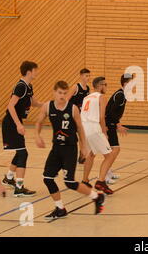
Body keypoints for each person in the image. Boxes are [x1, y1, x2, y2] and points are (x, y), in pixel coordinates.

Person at [35, 81, 105, 219]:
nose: (62, 96)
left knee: (70, 182)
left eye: (64, 93)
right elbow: (38, 122)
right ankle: (60, 208)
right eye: (59, 93)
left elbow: (80, 128)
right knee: (47, 178)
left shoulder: (72, 108)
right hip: (56, 148)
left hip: (70, 149)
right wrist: (37, 135)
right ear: (54, 92)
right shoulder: (47, 107)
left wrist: (84, 147)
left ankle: (97, 196)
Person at [1, 61, 43, 197]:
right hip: (11, 123)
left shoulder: (28, 86)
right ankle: (19, 187)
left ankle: (9, 178)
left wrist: (48, 105)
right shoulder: (21, 86)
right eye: (36, 70)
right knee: (23, 153)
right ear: (29, 72)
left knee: (20, 152)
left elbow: (34, 102)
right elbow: (10, 106)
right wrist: (18, 124)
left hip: (15, 123)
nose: (37, 73)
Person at [81, 77, 117, 195]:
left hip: (84, 128)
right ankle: (101, 182)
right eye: (105, 85)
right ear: (100, 85)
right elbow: (101, 117)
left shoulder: (86, 97)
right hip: (93, 128)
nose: (106, 87)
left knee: (90, 155)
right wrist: (104, 133)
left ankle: (85, 180)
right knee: (110, 155)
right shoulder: (101, 97)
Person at [104, 74, 132, 184]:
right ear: (125, 83)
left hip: (111, 123)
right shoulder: (120, 95)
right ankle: (105, 175)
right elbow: (111, 112)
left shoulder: (122, 94)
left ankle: (108, 171)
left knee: (111, 150)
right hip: (109, 124)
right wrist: (118, 125)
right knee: (115, 149)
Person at [66, 68, 91, 164]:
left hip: (82, 117)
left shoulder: (87, 88)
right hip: (72, 116)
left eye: (89, 76)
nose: (88, 78)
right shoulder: (75, 87)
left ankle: (82, 156)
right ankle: (70, 156)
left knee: (82, 136)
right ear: (81, 76)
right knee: (72, 137)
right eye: (86, 76)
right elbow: (67, 100)